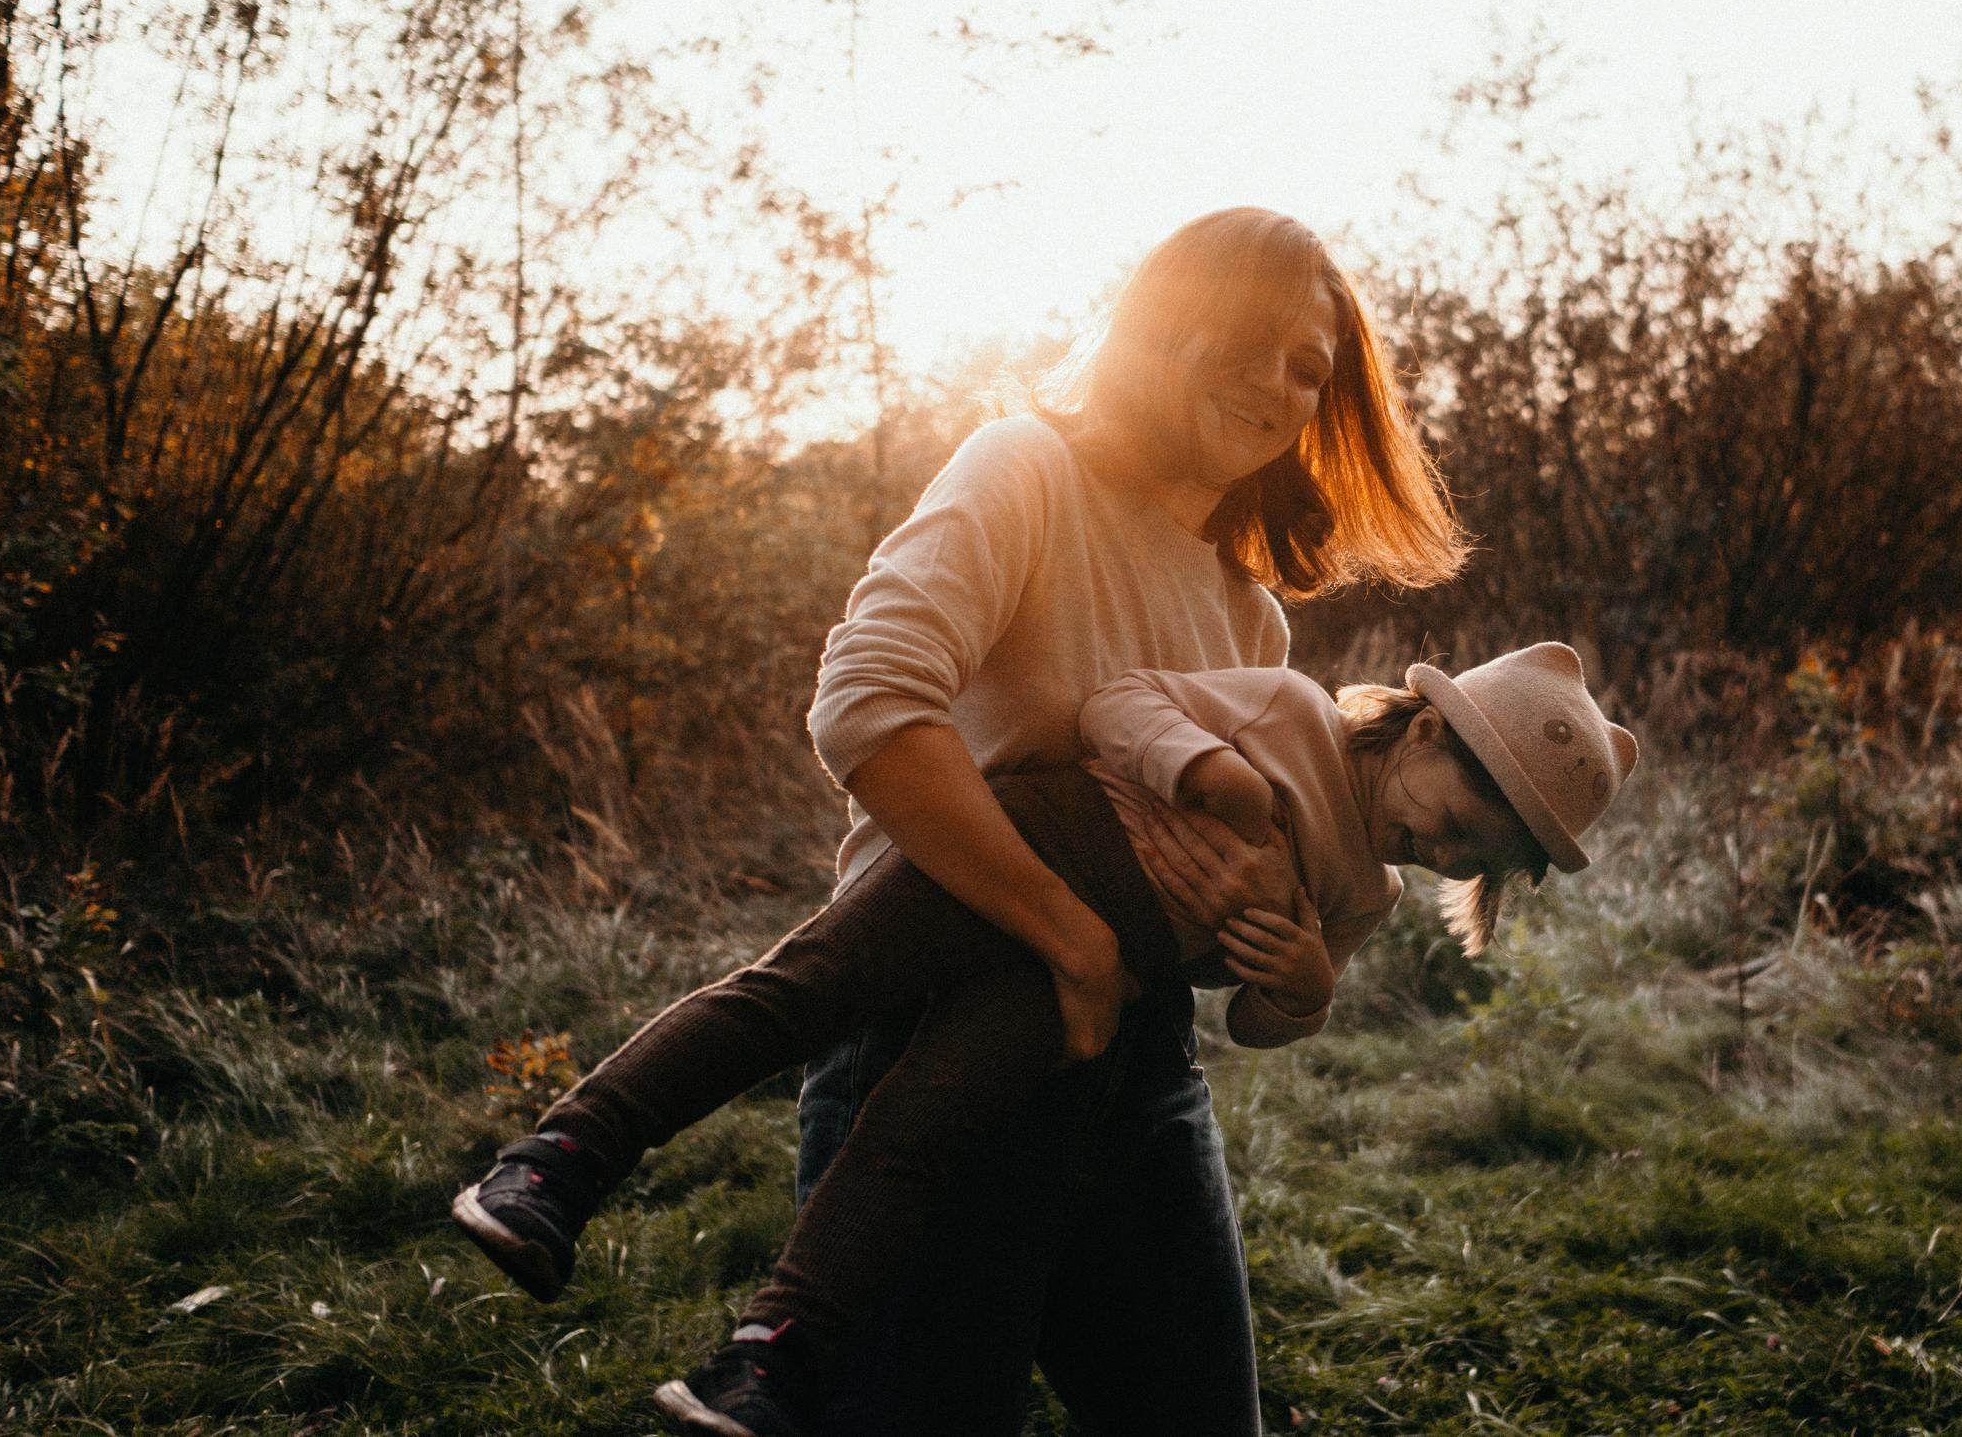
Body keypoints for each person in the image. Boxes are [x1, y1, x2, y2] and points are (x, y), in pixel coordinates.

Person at [477, 208, 1460, 1435]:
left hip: (1133, 1071)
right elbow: (870, 710)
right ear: (1164, 326)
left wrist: (1286, 957)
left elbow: (1202, 881)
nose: (1276, 385)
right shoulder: (1025, 469)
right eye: (1247, 341)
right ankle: (577, 1169)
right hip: (924, 1026)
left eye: (1308, 370)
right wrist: (1071, 936)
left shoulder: (1246, 618)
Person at [450, 644, 1639, 1436]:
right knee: (798, 993)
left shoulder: (1362, 901)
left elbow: (1253, 1019)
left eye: (1476, 861)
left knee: (916, 1127)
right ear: (1423, 729)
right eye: (1454, 819)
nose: (1442, 853)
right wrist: (1211, 775)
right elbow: (1119, 701)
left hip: (1092, 972)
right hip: (1022, 849)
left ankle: (770, 1355)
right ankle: (557, 1164)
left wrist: (1301, 989)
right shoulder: (1282, 710)